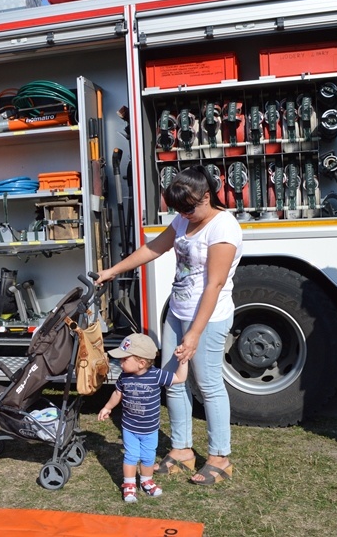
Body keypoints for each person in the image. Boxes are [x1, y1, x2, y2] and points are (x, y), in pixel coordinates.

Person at [96, 164, 242, 486]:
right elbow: (152, 248)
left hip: (208, 317)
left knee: (208, 386)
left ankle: (220, 457)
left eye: (189, 208)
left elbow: (214, 285)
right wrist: (112, 271)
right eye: (179, 209)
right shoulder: (183, 220)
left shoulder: (224, 228)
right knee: (173, 382)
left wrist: (194, 333)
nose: (184, 214)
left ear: (207, 195)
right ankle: (181, 450)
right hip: (177, 312)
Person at [97, 332, 189, 502]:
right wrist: (107, 407)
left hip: (150, 430)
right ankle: (129, 484)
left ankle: (146, 481)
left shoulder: (156, 375)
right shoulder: (124, 377)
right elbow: (118, 393)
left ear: (141, 363)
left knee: (148, 457)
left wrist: (183, 360)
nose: (120, 362)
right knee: (131, 456)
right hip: (129, 428)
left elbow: (179, 377)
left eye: (124, 359)